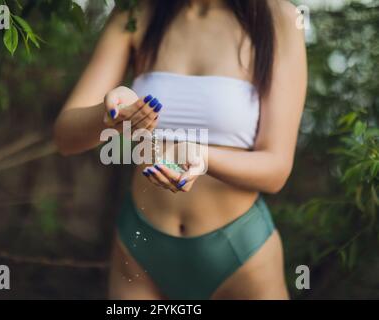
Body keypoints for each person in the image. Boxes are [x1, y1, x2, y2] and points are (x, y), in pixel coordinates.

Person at [54, 0, 307, 300]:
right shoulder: (134, 13)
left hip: (241, 254)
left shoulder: (280, 18)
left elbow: (276, 169)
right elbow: (66, 137)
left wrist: (202, 156)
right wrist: (109, 114)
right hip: (140, 248)